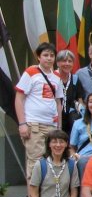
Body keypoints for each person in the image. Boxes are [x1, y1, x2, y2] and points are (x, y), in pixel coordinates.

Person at [15, 42, 63, 180]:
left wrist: (59, 126)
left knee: (51, 163)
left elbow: (58, 102)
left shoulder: (57, 76)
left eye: (52, 55)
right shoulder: (31, 72)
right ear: (38, 57)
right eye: (45, 55)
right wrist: (22, 124)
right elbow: (19, 99)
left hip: (52, 126)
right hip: (34, 124)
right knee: (35, 164)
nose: (49, 58)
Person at [56, 49, 85, 135]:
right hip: (54, 119)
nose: (67, 64)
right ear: (57, 63)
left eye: (70, 61)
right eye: (64, 61)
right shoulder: (52, 77)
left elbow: (80, 100)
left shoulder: (75, 79)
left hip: (71, 120)